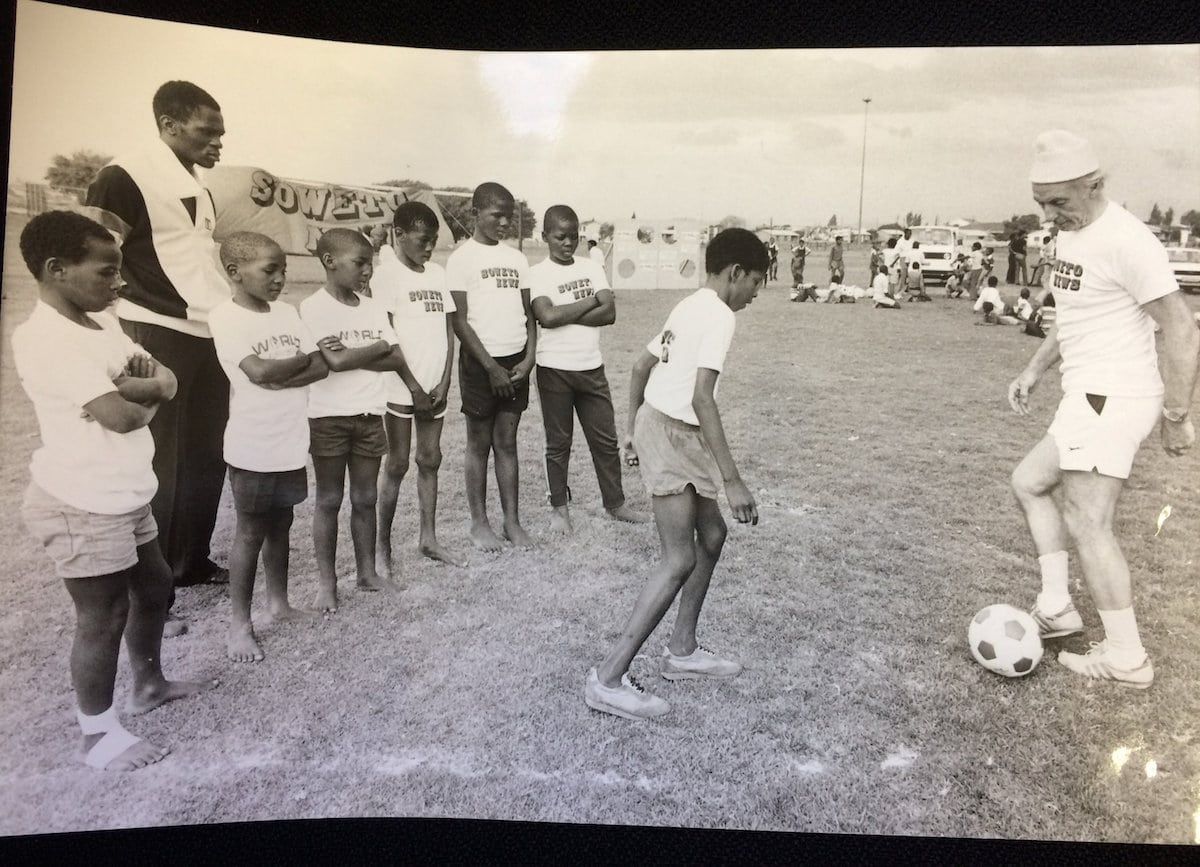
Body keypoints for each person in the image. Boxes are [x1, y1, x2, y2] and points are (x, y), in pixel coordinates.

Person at [14, 211, 215, 771]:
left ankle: (147, 685)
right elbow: (123, 417)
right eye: (106, 272)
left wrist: (138, 389)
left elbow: (164, 379)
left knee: (152, 586)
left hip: (124, 490)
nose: (119, 283)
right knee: (101, 616)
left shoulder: (101, 322)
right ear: (57, 270)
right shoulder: (44, 339)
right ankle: (97, 735)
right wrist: (140, 393)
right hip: (81, 499)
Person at [1008, 130, 1198, 688]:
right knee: (1028, 483)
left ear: (1095, 185)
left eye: (1059, 202)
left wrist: (1178, 417)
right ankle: (1057, 608)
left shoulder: (1128, 241)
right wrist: (1034, 370)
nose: (1048, 213)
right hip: (1083, 394)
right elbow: (1074, 314)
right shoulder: (1069, 237)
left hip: (1112, 397)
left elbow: (1183, 328)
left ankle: (1126, 657)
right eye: (1040, 201)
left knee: (1088, 521)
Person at [584, 228, 764, 721]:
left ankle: (682, 651)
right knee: (678, 557)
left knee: (712, 533)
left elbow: (641, 366)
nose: (756, 292)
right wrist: (732, 480)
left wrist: (629, 430)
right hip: (670, 432)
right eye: (756, 281)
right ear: (735, 273)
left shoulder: (690, 305)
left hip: (668, 430)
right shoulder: (720, 316)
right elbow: (703, 397)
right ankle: (608, 678)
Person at [85, 80, 233, 635]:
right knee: (159, 464)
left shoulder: (196, 179)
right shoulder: (123, 175)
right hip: (154, 330)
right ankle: (152, 596)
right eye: (207, 131)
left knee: (205, 455)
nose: (218, 143)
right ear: (169, 124)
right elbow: (95, 257)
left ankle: (190, 561)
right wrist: (113, 339)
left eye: (221, 133)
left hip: (206, 330)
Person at [210, 232, 328, 663]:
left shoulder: (288, 311)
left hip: (290, 439)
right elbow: (258, 371)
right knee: (250, 532)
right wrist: (293, 364)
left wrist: (285, 371)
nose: (279, 278)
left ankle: (278, 604)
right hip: (253, 444)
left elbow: (321, 365)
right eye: (269, 270)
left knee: (282, 525)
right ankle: (239, 626)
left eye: (283, 269)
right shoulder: (225, 317)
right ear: (235, 272)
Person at [300, 229, 403, 612]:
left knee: (365, 497)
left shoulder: (373, 307)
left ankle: (367, 573)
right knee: (329, 500)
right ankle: (327, 584)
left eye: (371, 263)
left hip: (370, 413)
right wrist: (376, 347)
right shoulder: (314, 307)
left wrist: (365, 352)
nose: (368, 271)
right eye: (360, 263)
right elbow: (336, 363)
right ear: (330, 262)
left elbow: (396, 358)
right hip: (328, 418)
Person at [530, 205, 649, 535]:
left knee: (605, 439)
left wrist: (563, 311)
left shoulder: (591, 265)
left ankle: (615, 503)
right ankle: (559, 511)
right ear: (545, 237)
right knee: (558, 444)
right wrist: (588, 303)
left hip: (590, 367)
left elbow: (609, 312)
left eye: (573, 236)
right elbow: (546, 317)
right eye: (559, 237)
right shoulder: (538, 273)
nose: (567, 243)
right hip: (554, 368)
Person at [371, 201, 465, 576]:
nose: (429, 248)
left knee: (431, 460)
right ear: (399, 235)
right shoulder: (386, 277)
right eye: (423, 240)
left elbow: (448, 330)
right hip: (401, 387)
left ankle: (428, 538)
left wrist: (444, 381)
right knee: (396, 464)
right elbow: (388, 338)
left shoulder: (437, 274)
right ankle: (383, 549)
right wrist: (413, 387)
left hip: (434, 384)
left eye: (434, 241)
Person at [446, 182, 537, 551]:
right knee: (479, 444)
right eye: (495, 215)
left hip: (516, 362)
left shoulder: (517, 259)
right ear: (475, 214)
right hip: (481, 364)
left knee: (507, 443)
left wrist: (529, 358)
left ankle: (512, 522)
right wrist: (491, 368)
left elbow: (529, 315)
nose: (503, 222)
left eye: (508, 217)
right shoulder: (461, 260)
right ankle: (479, 524)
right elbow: (460, 322)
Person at [895, 228, 914, 295]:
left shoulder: (912, 241)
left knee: (911, 275)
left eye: (910, 234)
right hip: (903, 259)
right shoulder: (900, 241)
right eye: (908, 234)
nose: (910, 235)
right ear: (905, 233)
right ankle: (899, 291)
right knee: (903, 276)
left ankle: (908, 290)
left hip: (911, 259)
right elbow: (896, 252)